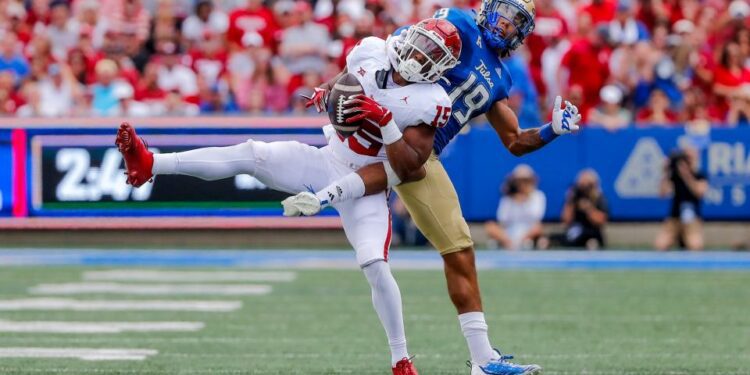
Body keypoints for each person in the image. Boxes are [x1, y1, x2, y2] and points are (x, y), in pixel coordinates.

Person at [116, 19, 462, 375]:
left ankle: (400, 359)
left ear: (442, 67)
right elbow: (348, 80)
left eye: (432, 54)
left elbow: (408, 168)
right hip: (328, 158)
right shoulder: (373, 51)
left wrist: (386, 121)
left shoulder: (430, 101)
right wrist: (325, 90)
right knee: (252, 153)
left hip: (369, 181)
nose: (421, 56)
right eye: (422, 44)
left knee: (373, 262)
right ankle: (151, 164)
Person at [283, 1, 582, 373]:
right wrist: (334, 86)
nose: (506, 25)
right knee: (401, 181)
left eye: (516, 22)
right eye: (504, 14)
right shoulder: (455, 21)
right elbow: (397, 51)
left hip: (421, 153)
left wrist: (553, 130)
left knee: (459, 247)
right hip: (392, 120)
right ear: (488, 9)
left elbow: (516, 141)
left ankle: (483, 359)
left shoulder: (500, 79)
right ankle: (324, 194)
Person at [654, 147, 708, 251]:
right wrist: (666, 172)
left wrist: (687, 175)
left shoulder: (700, 175)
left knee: (695, 246)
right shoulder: (674, 175)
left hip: (693, 218)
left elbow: (699, 192)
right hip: (675, 217)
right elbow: (662, 194)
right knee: (660, 245)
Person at [484, 165, 546, 250]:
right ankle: (510, 243)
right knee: (490, 226)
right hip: (509, 232)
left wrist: (525, 200)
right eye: (519, 181)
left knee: (538, 228)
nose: (522, 184)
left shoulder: (538, 196)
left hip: (529, 231)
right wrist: (514, 199)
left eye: (525, 181)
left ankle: (521, 242)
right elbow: (502, 219)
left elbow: (537, 216)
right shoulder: (508, 197)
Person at [551, 169, 608, 249]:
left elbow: (601, 221)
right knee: (549, 240)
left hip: (592, 234)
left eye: (588, 185)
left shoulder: (599, 198)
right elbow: (566, 220)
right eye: (582, 185)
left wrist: (589, 209)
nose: (585, 189)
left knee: (592, 243)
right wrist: (570, 201)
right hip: (575, 232)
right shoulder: (574, 197)